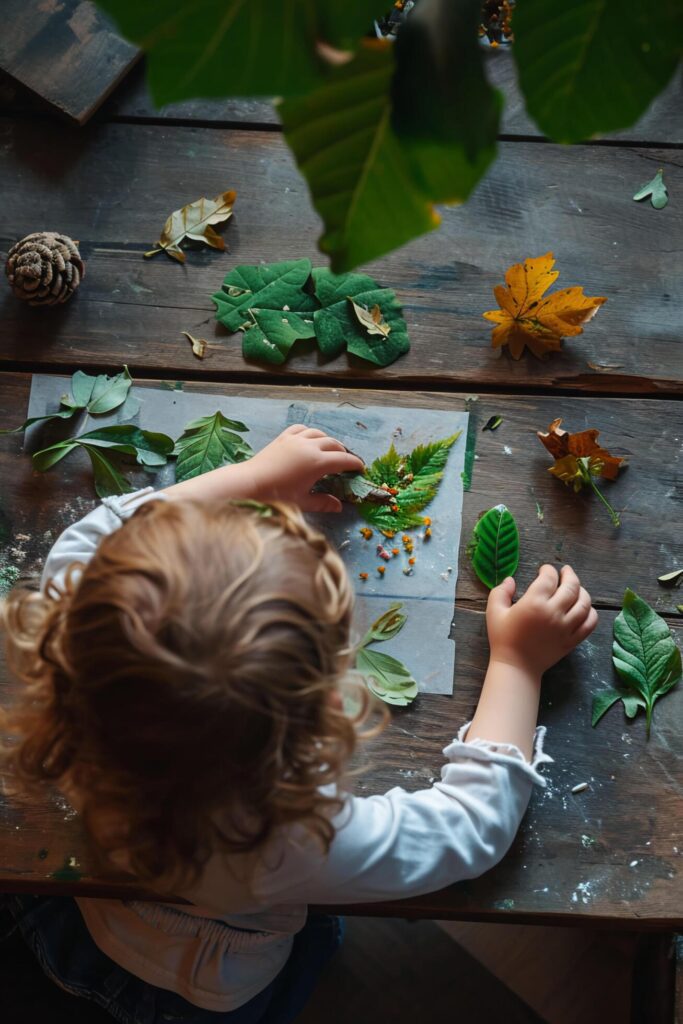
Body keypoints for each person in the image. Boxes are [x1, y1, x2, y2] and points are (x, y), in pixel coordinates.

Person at [0, 424, 597, 1024]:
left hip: (69, 906)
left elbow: (104, 535)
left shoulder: (75, 625)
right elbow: (469, 827)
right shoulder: (281, 843)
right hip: (195, 984)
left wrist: (250, 479)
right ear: (321, 719)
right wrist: (518, 664)